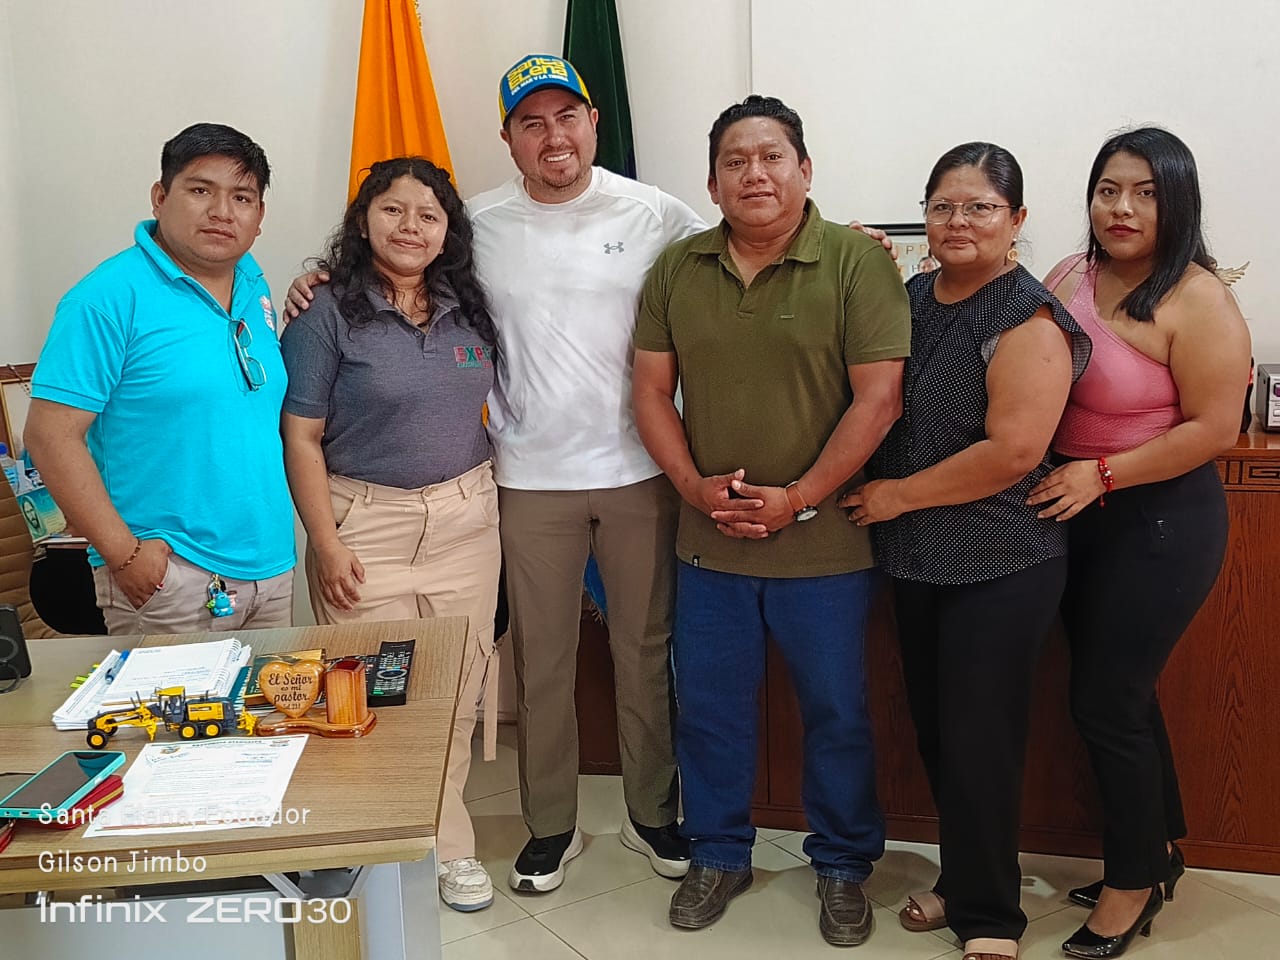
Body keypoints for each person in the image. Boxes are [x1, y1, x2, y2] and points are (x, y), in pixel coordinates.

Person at [286, 54, 706, 894]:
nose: (553, 136)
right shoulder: (473, 222)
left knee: (645, 650)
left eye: (566, 116)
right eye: (531, 122)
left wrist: (851, 241)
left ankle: (652, 813)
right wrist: (316, 278)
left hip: (638, 471)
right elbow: (399, 271)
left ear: (592, 122)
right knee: (539, 662)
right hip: (525, 478)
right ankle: (551, 826)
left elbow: (742, 253)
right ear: (509, 137)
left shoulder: (656, 212)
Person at [632, 95, 910, 946]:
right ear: (712, 181)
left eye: (772, 156)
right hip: (709, 543)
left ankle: (843, 865)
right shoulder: (677, 267)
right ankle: (719, 853)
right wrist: (692, 487)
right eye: (735, 161)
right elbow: (650, 390)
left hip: (824, 546)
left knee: (837, 714)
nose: (754, 173)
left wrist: (800, 496)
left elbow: (880, 399)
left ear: (804, 169)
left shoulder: (857, 264)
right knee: (709, 711)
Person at [841, 143, 1091, 960]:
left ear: (1016, 220)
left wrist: (895, 497)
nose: (958, 222)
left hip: (1002, 558)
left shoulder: (1028, 319)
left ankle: (991, 917)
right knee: (941, 733)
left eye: (980, 207)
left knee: (982, 739)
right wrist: (854, 258)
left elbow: (1014, 451)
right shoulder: (913, 296)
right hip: (918, 557)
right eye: (943, 206)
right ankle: (965, 878)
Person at [1027, 128, 1250, 959]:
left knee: (1105, 701)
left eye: (1146, 193)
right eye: (1109, 189)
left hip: (1158, 521)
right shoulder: (1068, 274)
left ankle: (1131, 885)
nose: (1122, 208)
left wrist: (1104, 474)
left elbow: (1215, 428)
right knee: (1121, 695)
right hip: (1074, 510)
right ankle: (1156, 851)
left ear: (1177, 202)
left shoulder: (1197, 297)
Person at [279, 157, 501, 912]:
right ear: (364, 220)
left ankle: (448, 846)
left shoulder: (468, 306)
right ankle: (380, 846)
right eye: (393, 210)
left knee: (456, 690)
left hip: (467, 523)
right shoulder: (326, 311)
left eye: (428, 215)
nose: (411, 227)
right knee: (375, 694)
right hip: (364, 527)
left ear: (447, 231)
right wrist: (326, 542)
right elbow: (301, 435)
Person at [25, 123, 294, 635]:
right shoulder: (105, 298)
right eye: (201, 190)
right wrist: (125, 556)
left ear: (259, 217)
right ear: (160, 196)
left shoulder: (254, 286)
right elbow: (49, 435)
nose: (222, 212)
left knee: (272, 692)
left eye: (241, 198)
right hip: (172, 578)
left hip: (271, 568)